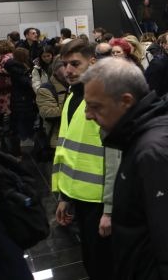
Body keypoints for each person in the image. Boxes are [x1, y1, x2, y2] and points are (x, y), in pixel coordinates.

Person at [81, 58, 168, 279]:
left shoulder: (155, 151)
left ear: (126, 101)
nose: (88, 115)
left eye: (96, 106)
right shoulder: (151, 132)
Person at [52, 39, 117, 280]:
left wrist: (109, 210)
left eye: (75, 64)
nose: (68, 70)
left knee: (106, 266)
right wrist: (64, 196)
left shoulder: (105, 99)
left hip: (101, 201)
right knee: (92, 261)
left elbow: (115, 157)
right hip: (79, 196)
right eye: (65, 64)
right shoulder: (73, 97)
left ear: (92, 61)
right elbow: (66, 150)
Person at [0, 40, 19, 155]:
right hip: (4, 93)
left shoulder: (7, 58)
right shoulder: (6, 57)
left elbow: (10, 73)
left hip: (6, 93)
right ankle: (9, 150)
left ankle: (11, 151)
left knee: (7, 120)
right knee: (5, 120)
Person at [36, 59, 67, 148]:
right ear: (55, 71)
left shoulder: (78, 86)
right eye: (65, 65)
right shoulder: (45, 89)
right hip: (56, 139)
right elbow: (48, 113)